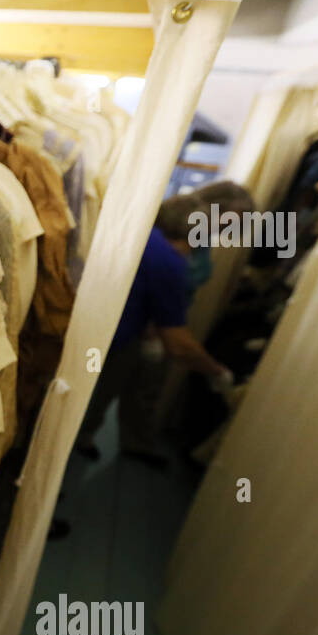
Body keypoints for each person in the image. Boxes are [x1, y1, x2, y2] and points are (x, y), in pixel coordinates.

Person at [76, 187, 242, 468]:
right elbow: (179, 345)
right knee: (99, 390)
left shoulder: (145, 238)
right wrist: (218, 372)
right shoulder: (169, 262)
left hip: (92, 326)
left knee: (93, 391)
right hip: (115, 335)